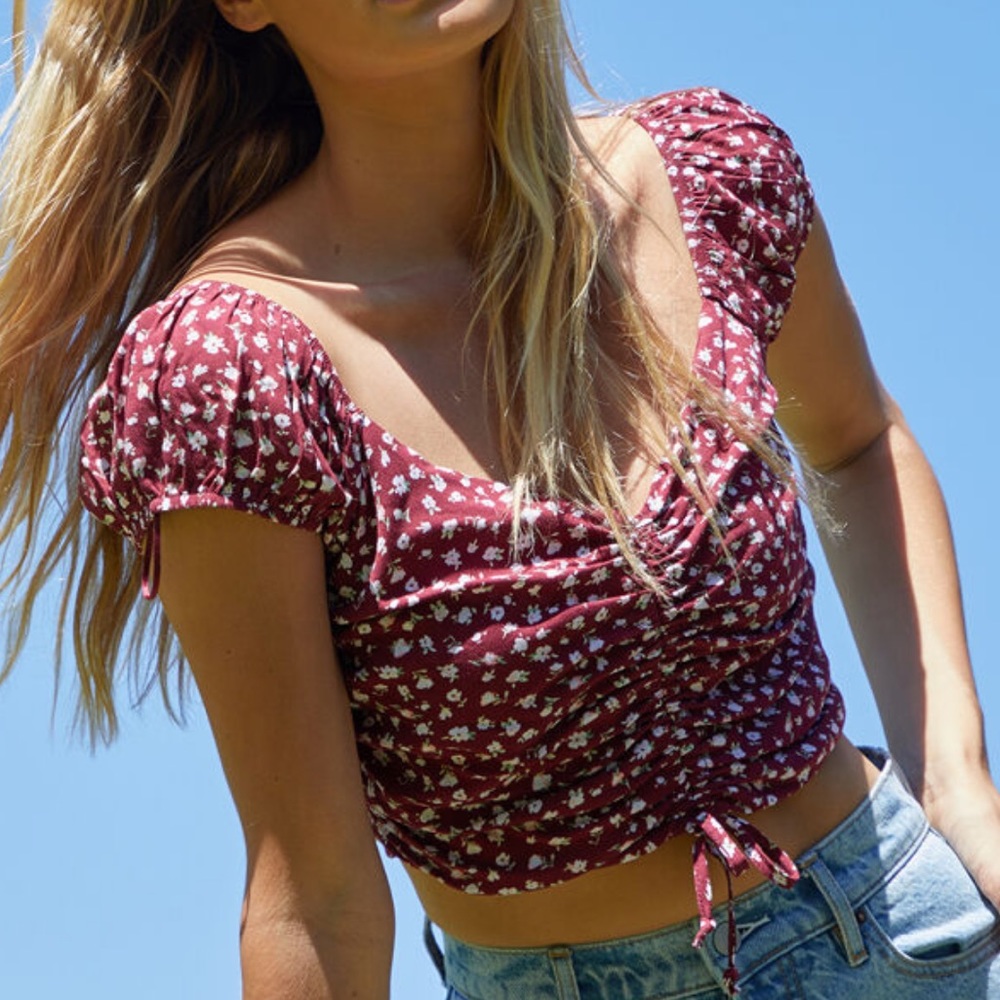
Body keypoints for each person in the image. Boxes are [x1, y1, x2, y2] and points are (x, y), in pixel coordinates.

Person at [1, 1, 998, 997]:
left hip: (902, 939)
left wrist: (954, 777)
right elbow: (318, 896)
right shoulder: (236, 369)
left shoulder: (711, 174)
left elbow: (860, 440)